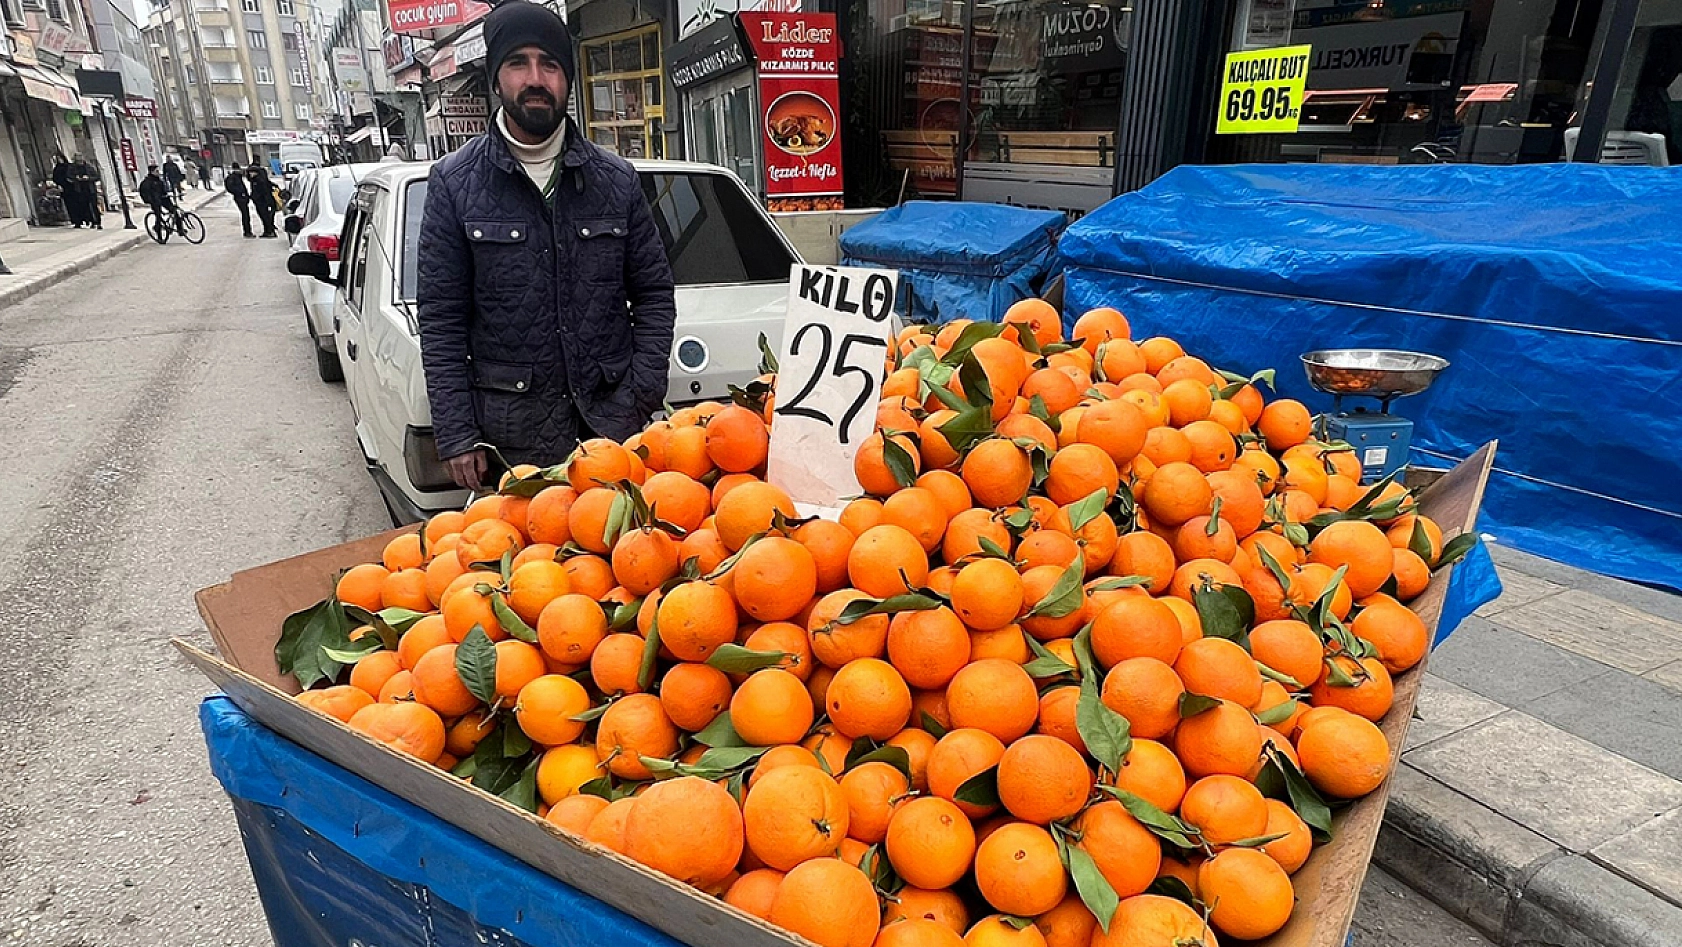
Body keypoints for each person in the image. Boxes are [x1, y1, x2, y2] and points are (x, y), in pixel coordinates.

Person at [416, 0, 676, 489]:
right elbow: (442, 319)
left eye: (550, 64)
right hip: (513, 446)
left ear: (567, 80)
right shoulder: (453, 185)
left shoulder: (615, 181)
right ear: (496, 79)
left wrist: (639, 395)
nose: (535, 78)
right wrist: (456, 432)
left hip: (611, 433)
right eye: (518, 63)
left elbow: (655, 295)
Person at [138, 165, 174, 239]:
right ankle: (159, 233)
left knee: (175, 210)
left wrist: (168, 195)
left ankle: (180, 229)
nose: (158, 173)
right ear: (152, 172)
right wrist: (150, 201)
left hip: (163, 199)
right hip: (155, 201)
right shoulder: (147, 182)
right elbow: (144, 194)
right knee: (158, 216)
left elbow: (164, 191)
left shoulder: (159, 180)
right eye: (156, 171)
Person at [68, 155, 102, 230]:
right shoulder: (73, 168)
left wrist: (89, 178)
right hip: (79, 190)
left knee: (94, 206)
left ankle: (98, 222)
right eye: (77, 161)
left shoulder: (89, 167)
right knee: (84, 207)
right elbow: (69, 177)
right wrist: (76, 178)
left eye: (80, 160)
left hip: (90, 189)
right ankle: (90, 221)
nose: (79, 162)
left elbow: (97, 176)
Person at [247, 163, 279, 238]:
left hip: (262, 201)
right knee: (266, 216)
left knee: (264, 216)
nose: (250, 174)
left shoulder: (258, 180)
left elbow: (261, 192)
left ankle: (269, 231)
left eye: (251, 172)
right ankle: (268, 231)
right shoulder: (260, 179)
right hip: (264, 201)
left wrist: (253, 197)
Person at [225, 163, 254, 238]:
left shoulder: (238, 177)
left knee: (246, 214)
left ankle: (248, 231)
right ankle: (247, 232)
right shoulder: (232, 178)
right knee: (245, 214)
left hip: (243, 197)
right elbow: (230, 188)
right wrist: (240, 193)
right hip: (239, 198)